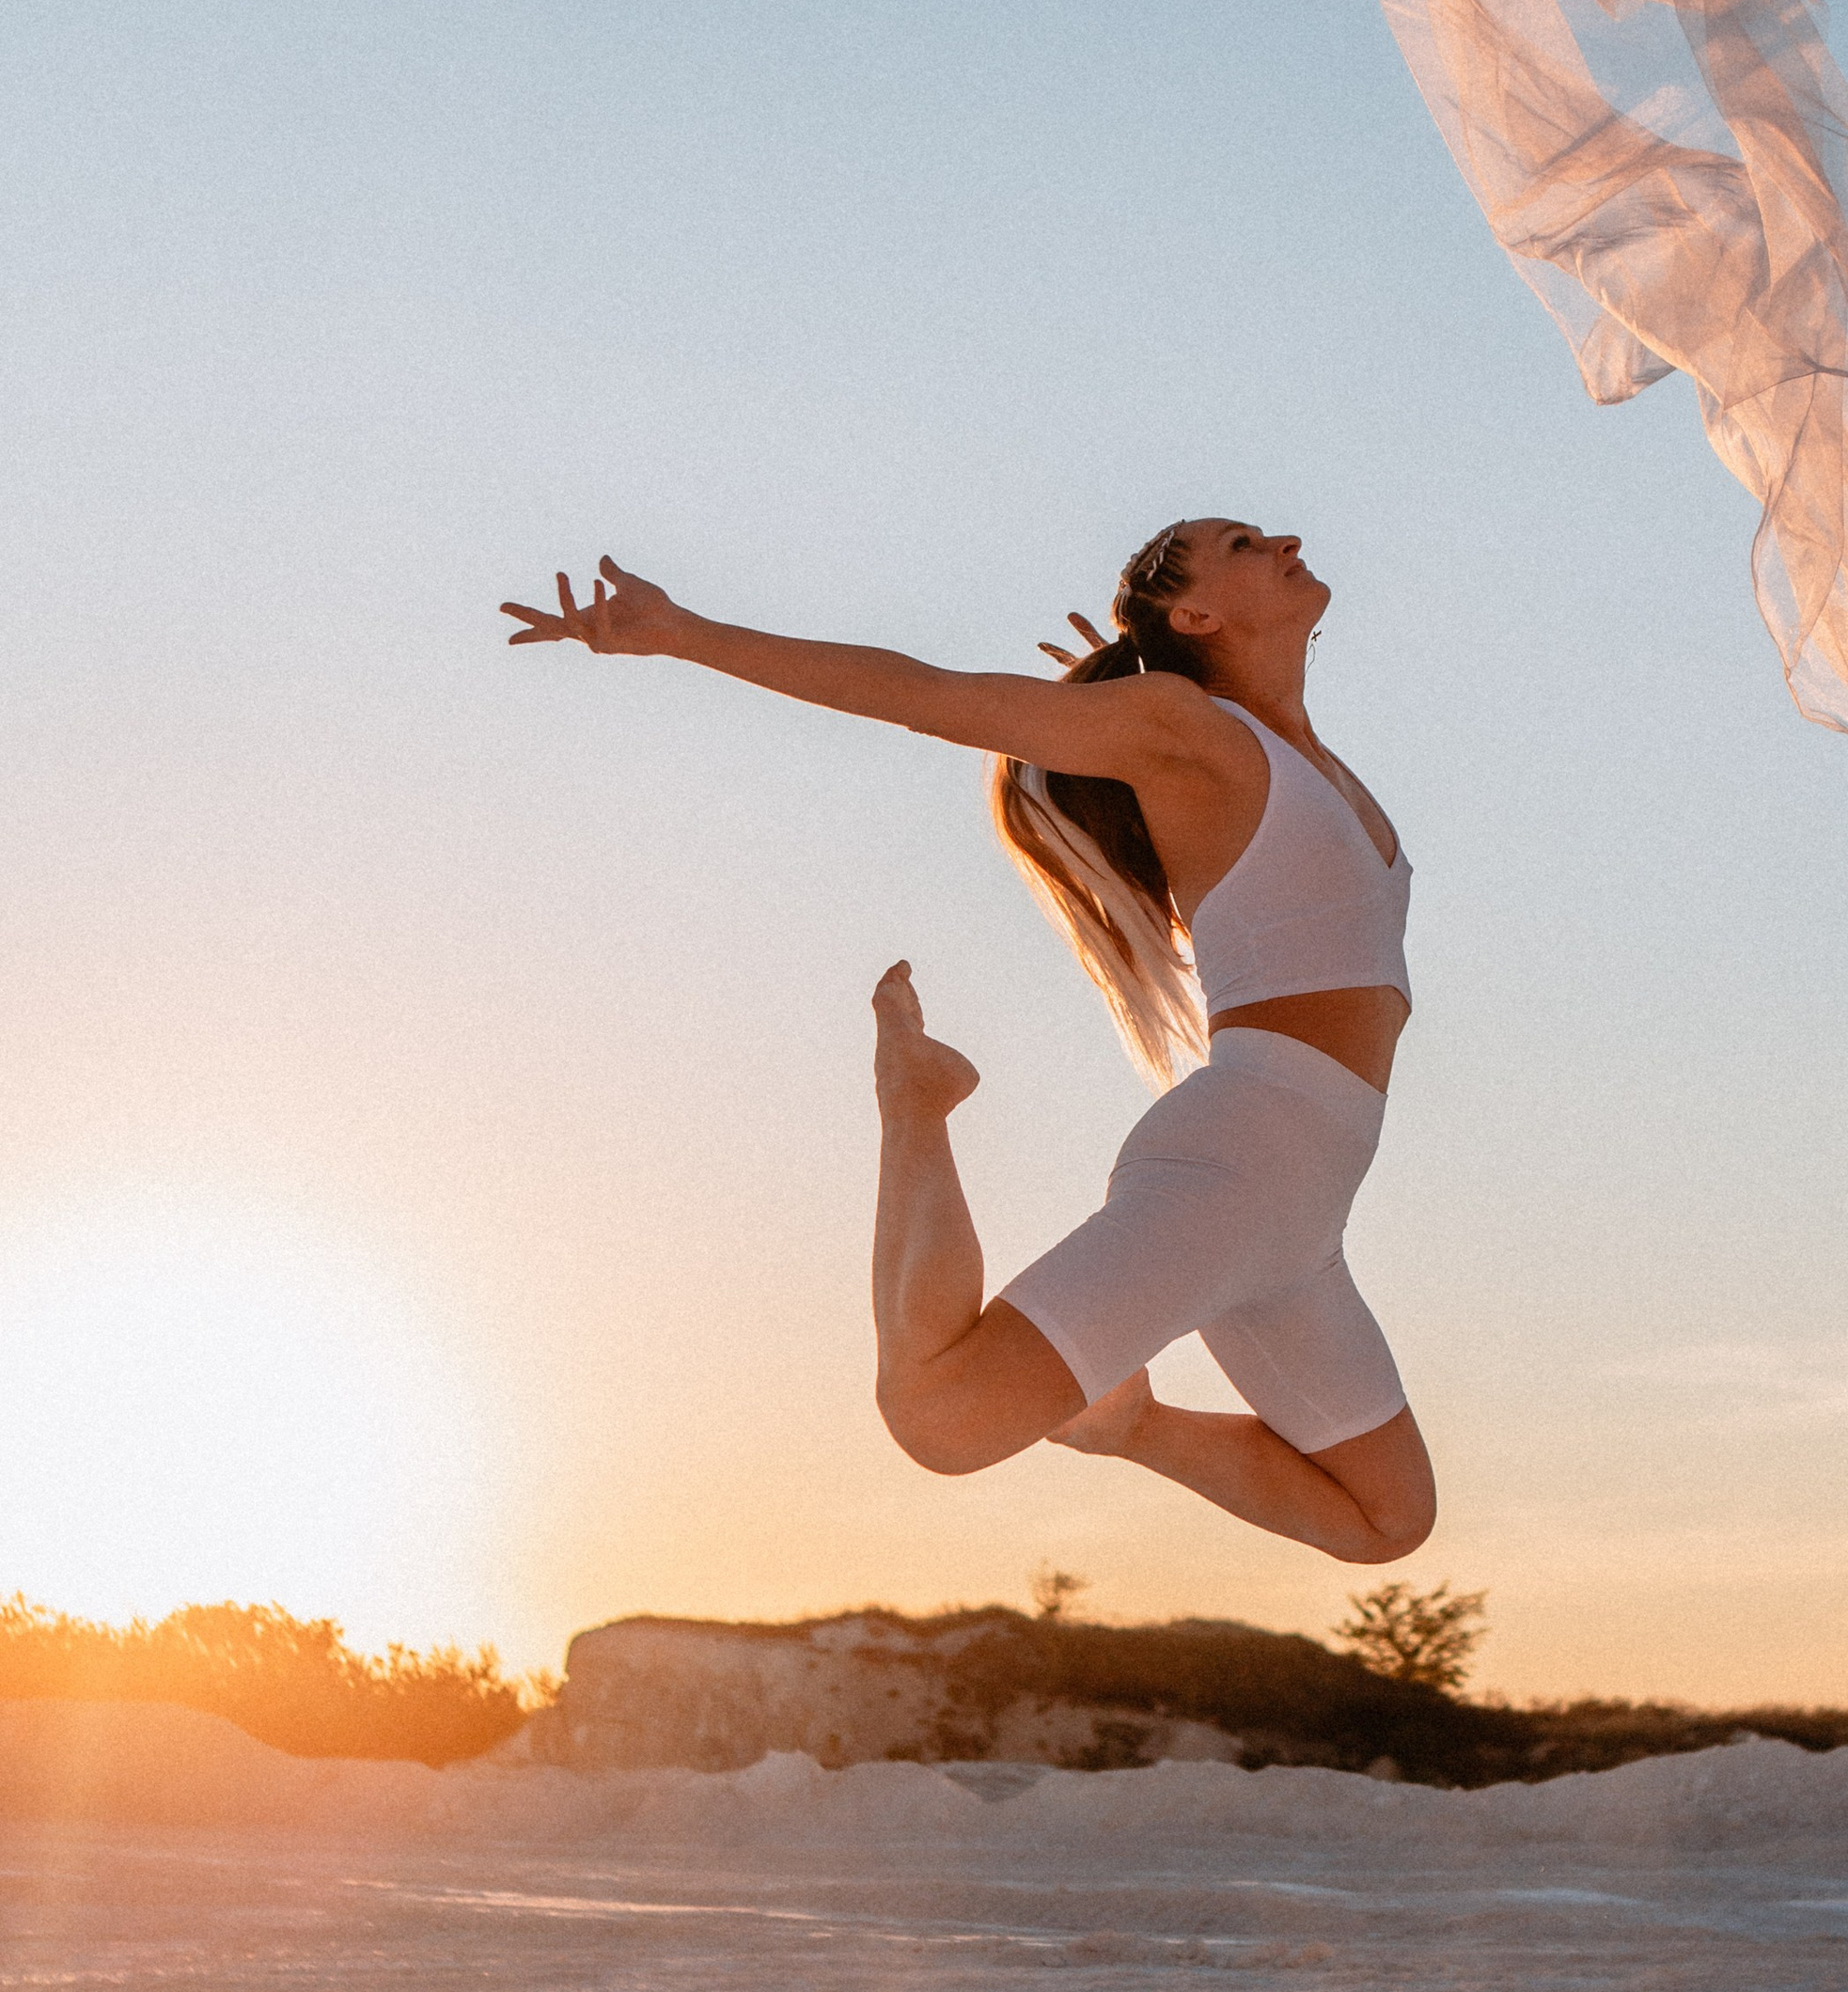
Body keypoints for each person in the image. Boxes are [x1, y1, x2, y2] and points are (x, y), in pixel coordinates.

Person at [501, 523, 1433, 1562]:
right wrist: (684, 634)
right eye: (1244, 542)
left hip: (1306, 1207)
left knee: (1384, 1520)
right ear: (1196, 615)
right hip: (1245, 1160)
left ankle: (1130, 1424)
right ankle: (916, 1102)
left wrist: (1082, 717)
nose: (1285, 538)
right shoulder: (1181, 727)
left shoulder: (1290, 753)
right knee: (941, 1420)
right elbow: (921, 691)